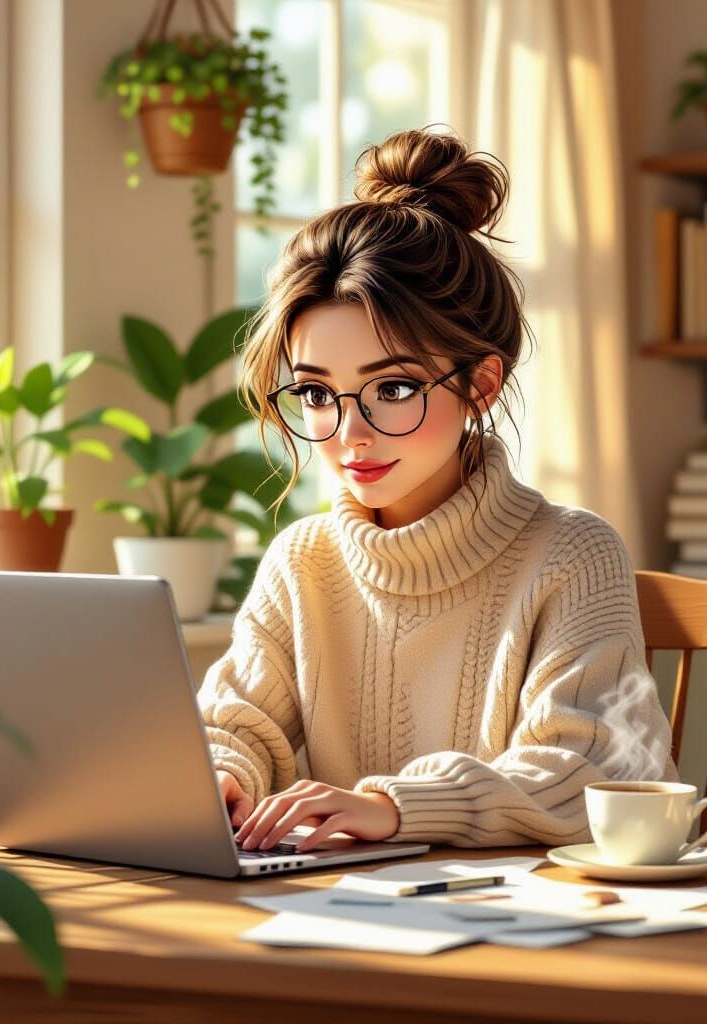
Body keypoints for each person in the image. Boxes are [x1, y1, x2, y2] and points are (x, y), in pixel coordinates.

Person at [198, 126, 678, 856]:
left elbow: (593, 776)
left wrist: (391, 808)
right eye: (318, 393)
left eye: (391, 388)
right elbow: (234, 725)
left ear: (481, 384)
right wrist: (223, 775)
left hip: (527, 932)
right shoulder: (302, 561)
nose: (348, 433)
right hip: (333, 918)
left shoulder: (574, 555)